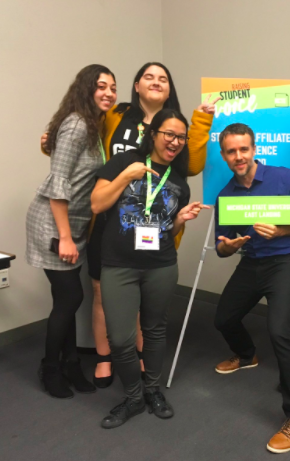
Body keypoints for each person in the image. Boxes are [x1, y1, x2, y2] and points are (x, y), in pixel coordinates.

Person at [42, 62, 218, 387]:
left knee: (143, 295)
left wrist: (202, 122)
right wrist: (50, 142)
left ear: (169, 88)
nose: (155, 82)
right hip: (110, 225)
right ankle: (105, 357)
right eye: (148, 77)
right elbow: (82, 139)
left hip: (155, 227)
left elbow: (191, 166)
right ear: (136, 85)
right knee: (100, 292)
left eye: (163, 78)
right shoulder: (116, 115)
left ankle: (138, 356)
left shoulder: (174, 123)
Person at [91, 109, 208, 429]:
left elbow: (164, 230)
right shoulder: (123, 162)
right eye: (168, 133)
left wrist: (180, 220)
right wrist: (127, 176)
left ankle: (152, 390)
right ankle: (132, 397)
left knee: (155, 331)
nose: (175, 141)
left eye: (181, 137)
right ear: (153, 134)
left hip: (161, 265)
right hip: (119, 264)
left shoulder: (180, 183)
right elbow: (97, 203)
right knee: (121, 338)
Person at [213, 123, 290, 454]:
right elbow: (222, 246)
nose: (238, 156)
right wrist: (229, 246)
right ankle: (247, 355)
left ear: (254, 148)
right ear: (224, 155)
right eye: (231, 151)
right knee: (223, 318)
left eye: (243, 149)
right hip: (250, 262)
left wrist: (283, 231)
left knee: (279, 331)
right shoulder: (226, 196)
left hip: (285, 262)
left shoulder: (284, 178)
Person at [26, 64, 117, 399]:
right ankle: (51, 367)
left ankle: (70, 364)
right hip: (53, 223)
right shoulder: (79, 124)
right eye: (101, 86)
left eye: (113, 87)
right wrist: (64, 236)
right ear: (86, 88)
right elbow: (58, 181)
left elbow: (69, 161)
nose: (108, 92)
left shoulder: (94, 124)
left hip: (74, 224)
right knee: (71, 296)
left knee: (64, 298)